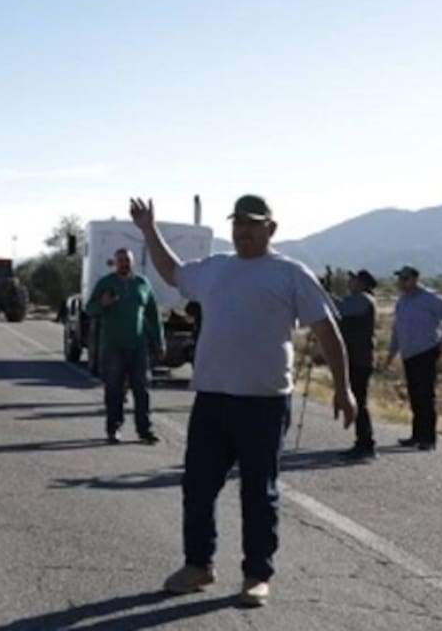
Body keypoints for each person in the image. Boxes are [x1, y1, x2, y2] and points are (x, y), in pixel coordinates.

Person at [131, 195, 355, 608]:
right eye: (237, 224)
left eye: (252, 225)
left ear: (271, 228)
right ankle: (198, 565)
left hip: (264, 403)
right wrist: (148, 230)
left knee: (258, 492)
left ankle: (256, 575)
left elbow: (327, 331)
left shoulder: (290, 274)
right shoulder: (216, 269)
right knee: (198, 487)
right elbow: (172, 272)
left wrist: (343, 388)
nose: (243, 232)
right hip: (212, 399)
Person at [86, 247, 163, 444]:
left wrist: (159, 341)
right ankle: (113, 429)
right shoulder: (106, 283)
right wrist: (103, 303)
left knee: (142, 389)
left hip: (138, 346)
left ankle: (144, 430)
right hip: (113, 346)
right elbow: (89, 309)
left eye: (127, 260)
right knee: (114, 389)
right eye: (120, 260)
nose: (124, 264)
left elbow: (153, 315)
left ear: (132, 262)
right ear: (115, 263)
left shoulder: (142, 284)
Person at [383, 265, 442, 452]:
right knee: (415, 396)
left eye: (404, 278)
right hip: (409, 355)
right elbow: (397, 330)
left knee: (425, 396)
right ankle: (416, 436)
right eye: (400, 278)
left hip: (426, 352)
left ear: (414, 279)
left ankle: (429, 439)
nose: (400, 282)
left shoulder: (430, 298)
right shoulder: (402, 302)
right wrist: (391, 354)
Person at [334, 269, 379, 460]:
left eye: (352, 280)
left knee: (359, 401)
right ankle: (362, 442)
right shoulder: (358, 300)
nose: (349, 282)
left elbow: (340, 308)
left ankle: (366, 444)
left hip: (359, 359)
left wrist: (321, 294)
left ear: (361, 283)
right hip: (354, 357)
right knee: (358, 399)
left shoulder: (364, 300)